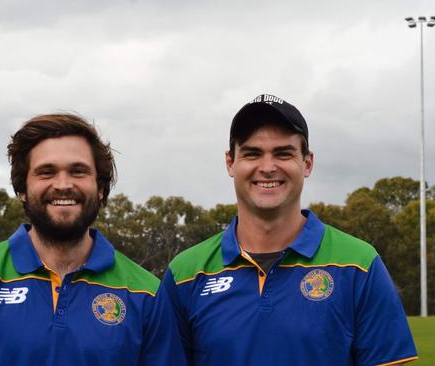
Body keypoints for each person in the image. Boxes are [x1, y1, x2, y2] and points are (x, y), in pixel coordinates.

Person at [161, 94, 418, 365]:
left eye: (283, 153)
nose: (268, 167)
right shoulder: (185, 274)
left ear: (307, 163)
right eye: (252, 154)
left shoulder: (359, 265)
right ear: (230, 163)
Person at [0, 113, 185, 366]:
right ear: (22, 188)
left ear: (101, 189)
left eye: (78, 171)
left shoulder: (146, 293)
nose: (63, 184)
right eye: (46, 172)